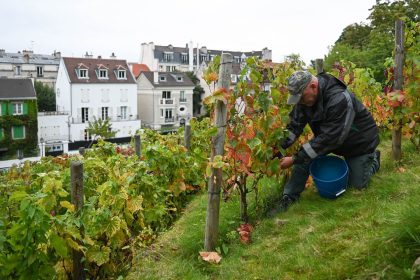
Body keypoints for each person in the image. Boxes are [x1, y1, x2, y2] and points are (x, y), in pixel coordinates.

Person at [269, 70, 380, 215]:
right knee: (305, 158)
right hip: (331, 138)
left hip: (359, 143)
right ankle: (289, 197)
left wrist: (294, 158)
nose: (300, 102)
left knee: (355, 186)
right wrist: (276, 150)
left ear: (314, 87)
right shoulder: (304, 100)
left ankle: (373, 161)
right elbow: (293, 127)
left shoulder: (338, 99)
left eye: (301, 97)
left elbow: (330, 139)